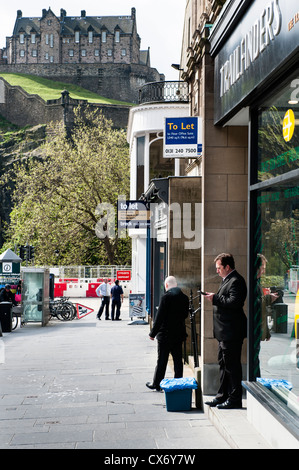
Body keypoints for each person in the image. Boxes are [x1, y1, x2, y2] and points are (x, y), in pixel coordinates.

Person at [204, 253, 247, 409]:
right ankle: (222, 396)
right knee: (223, 365)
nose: (217, 271)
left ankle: (235, 399)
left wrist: (214, 298)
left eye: (219, 268)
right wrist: (214, 297)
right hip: (224, 332)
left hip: (231, 332)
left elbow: (234, 302)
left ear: (227, 267)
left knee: (232, 366)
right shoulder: (227, 280)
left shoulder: (236, 281)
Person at [146, 276, 189, 392]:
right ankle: (178, 382)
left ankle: (157, 383)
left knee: (162, 360)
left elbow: (159, 317)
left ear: (166, 286)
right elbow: (185, 315)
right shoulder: (185, 298)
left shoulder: (166, 297)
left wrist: (152, 333)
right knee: (178, 360)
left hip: (165, 334)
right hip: (178, 334)